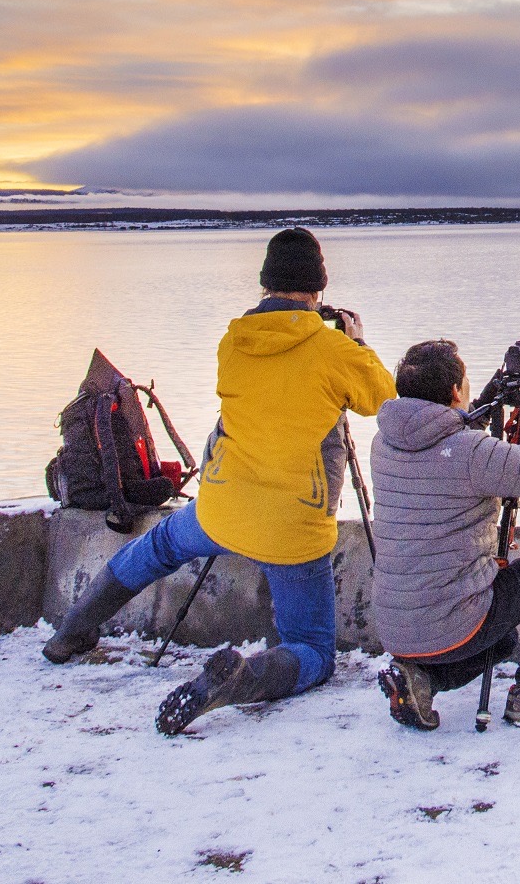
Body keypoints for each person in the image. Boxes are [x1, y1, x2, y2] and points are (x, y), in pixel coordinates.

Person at [41, 226, 396, 736]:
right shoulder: (332, 350)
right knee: (312, 650)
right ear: (318, 287)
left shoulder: (233, 342)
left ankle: (72, 631)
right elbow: (382, 397)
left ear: (265, 282)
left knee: (157, 546)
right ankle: (243, 679)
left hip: (221, 508)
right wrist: (354, 339)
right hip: (291, 528)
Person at [369, 338, 520, 730]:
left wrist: (483, 404)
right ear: (455, 391)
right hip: (453, 622)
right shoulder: (472, 455)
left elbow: (441, 445)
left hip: (396, 627)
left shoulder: (383, 443)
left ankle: (421, 679)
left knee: (502, 641)